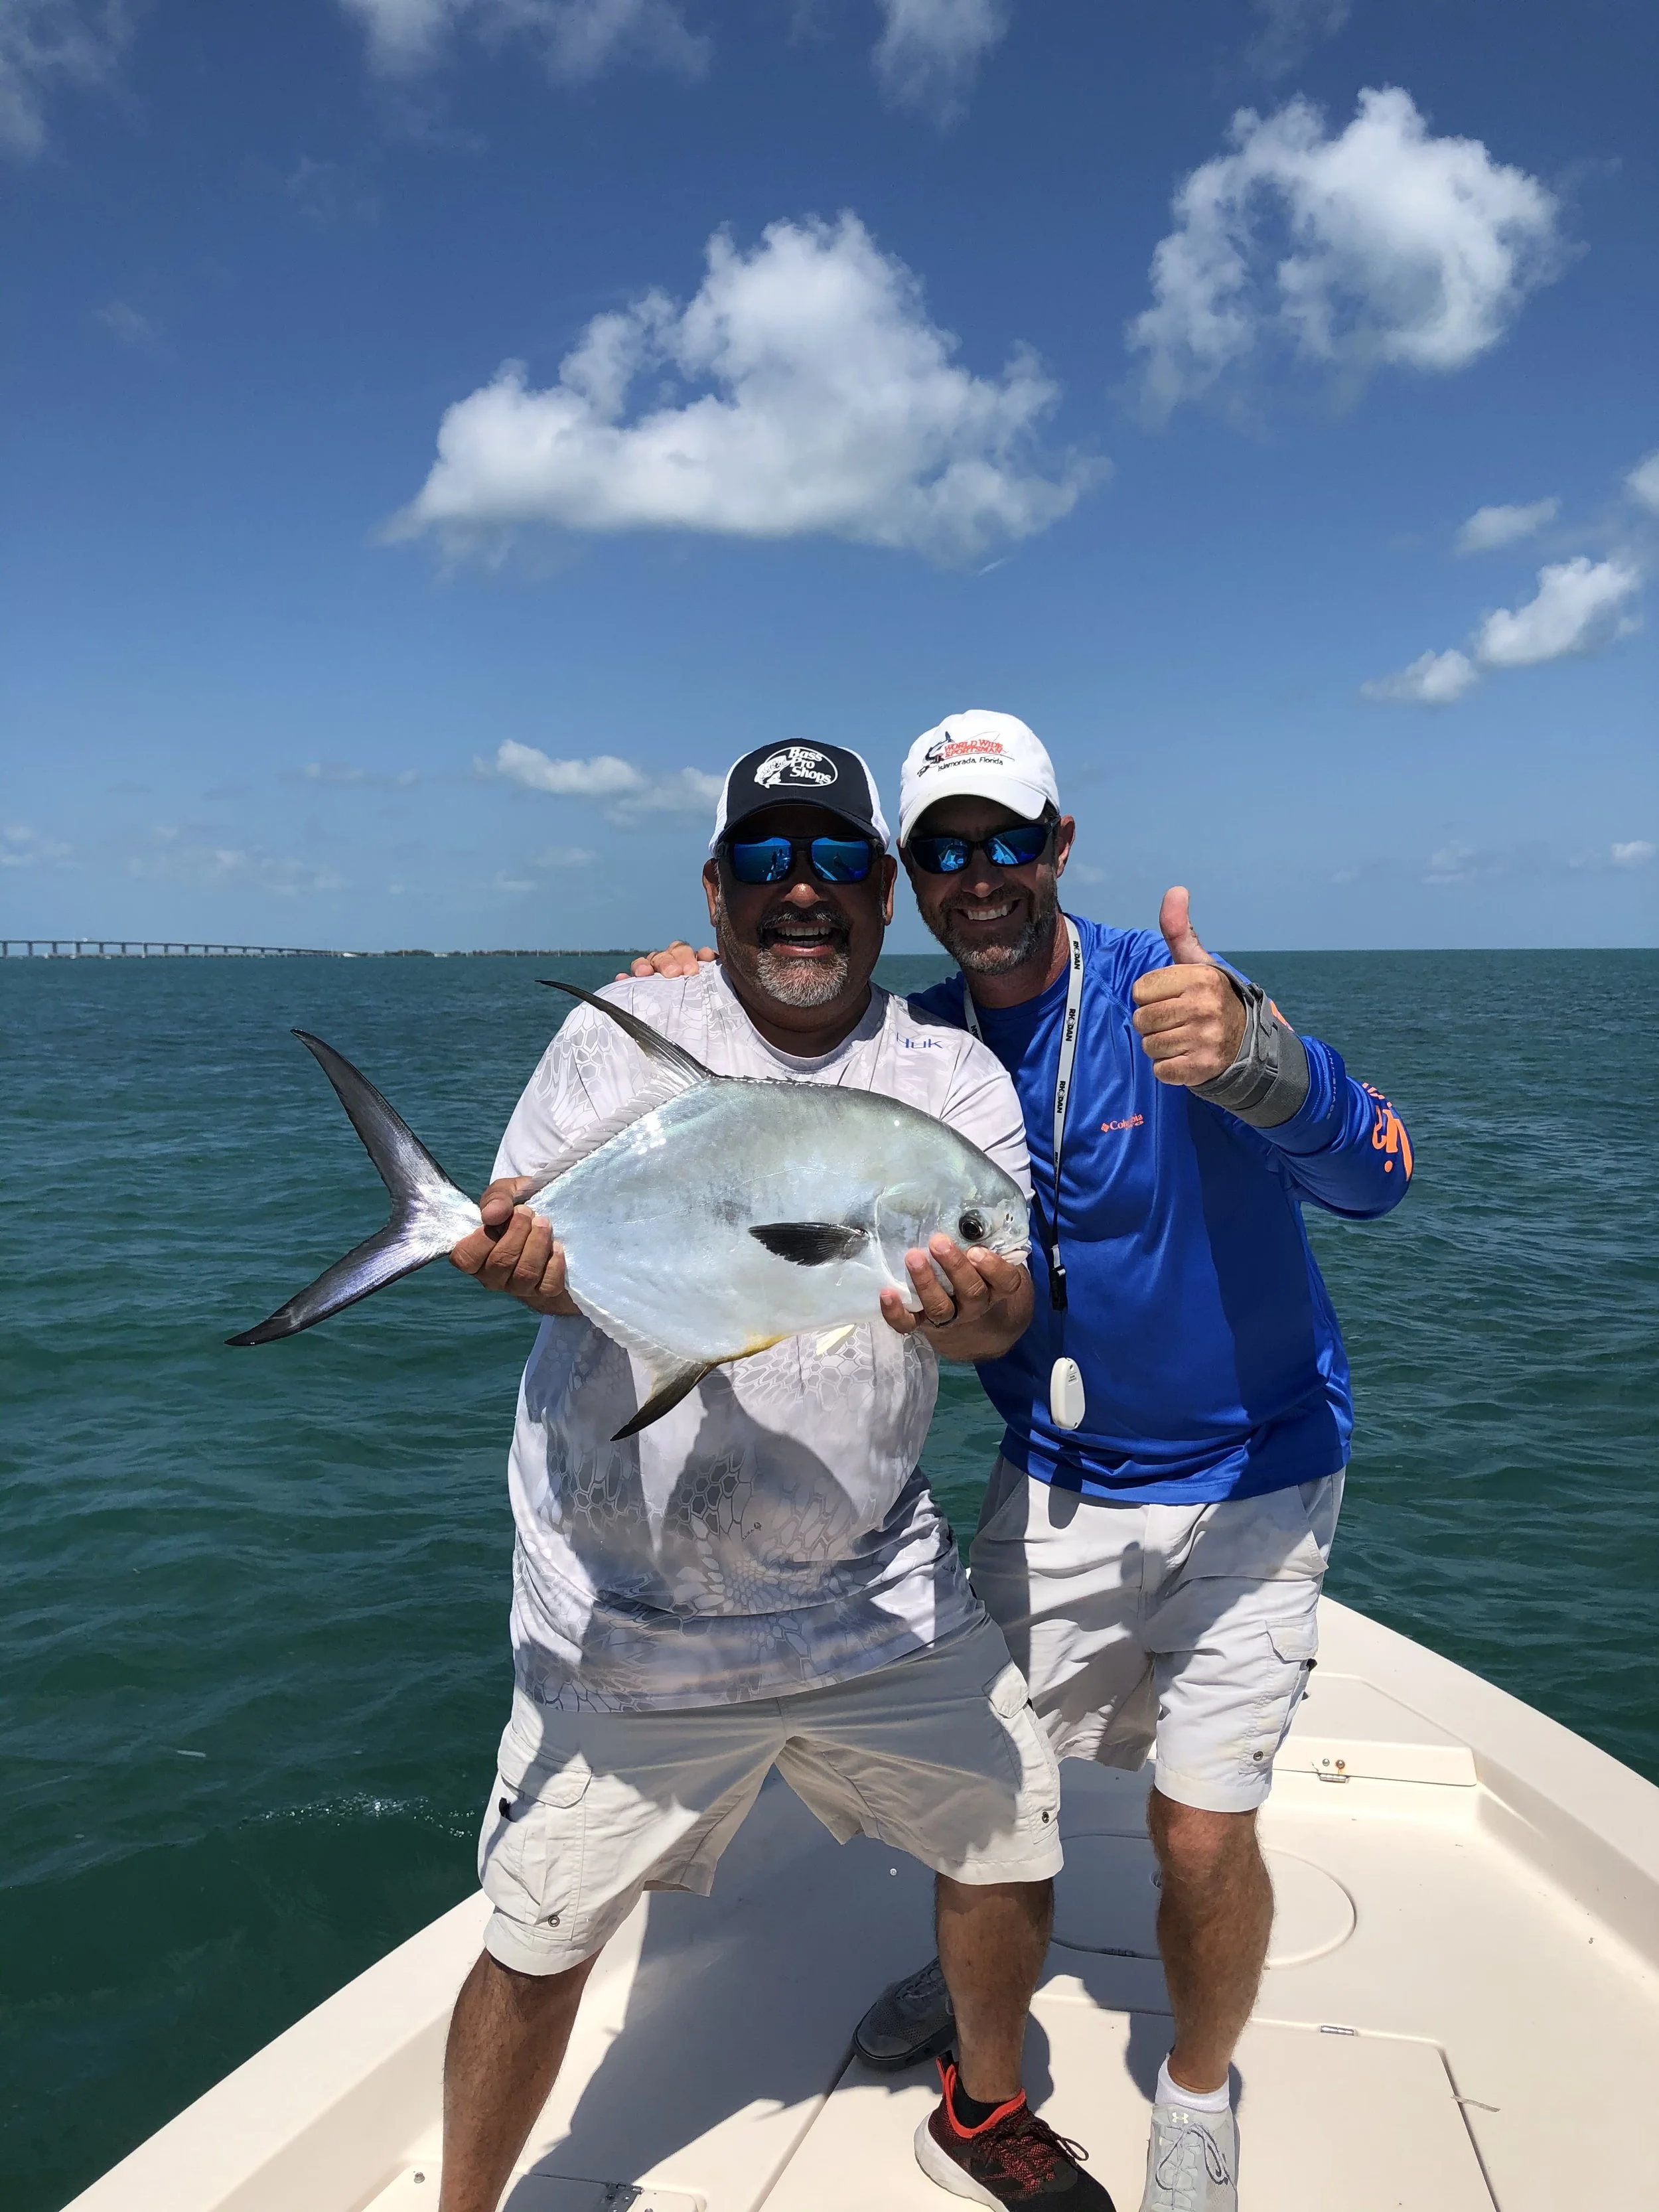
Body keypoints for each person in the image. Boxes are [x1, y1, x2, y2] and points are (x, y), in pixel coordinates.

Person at [630, 710, 1415, 2212]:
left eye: (1006, 838)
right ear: (912, 875)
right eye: (943, 848)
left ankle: (1194, 2090)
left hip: (1257, 1474)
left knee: (1197, 1833)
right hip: (1054, 1473)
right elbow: (773, 1063)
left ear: (1058, 842)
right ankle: (969, 1989)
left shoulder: (1173, 997)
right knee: (989, 1802)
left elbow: (1379, 1173)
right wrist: (695, 982)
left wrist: (1266, 1065)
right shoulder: (917, 1046)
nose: (977, 871)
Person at [441, 741, 1119, 2212]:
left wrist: (973, 1309)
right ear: (714, 887)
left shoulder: (937, 1076)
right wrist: (520, 1258)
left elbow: (1005, 1302)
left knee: (1011, 1831)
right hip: (623, 1614)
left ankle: (982, 2104)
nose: (797, 892)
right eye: (763, 862)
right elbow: (519, 1219)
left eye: (833, 864)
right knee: (538, 1934)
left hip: (867, 1587)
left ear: (881, 896)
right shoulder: (624, 1031)